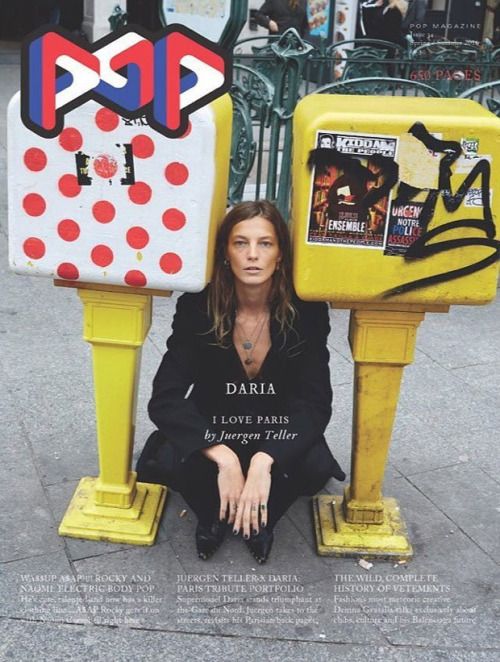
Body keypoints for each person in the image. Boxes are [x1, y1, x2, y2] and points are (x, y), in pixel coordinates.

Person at [136, 200, 345, 563]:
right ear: (225, 253)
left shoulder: (308, 311)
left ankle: (255, 513)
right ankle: (218, 512)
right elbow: (165, 398)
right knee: (173, 457)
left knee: (312, 464)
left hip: (275, 428)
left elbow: (315, 403)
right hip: (215, 427)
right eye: (240, 243)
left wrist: (265, 460)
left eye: (265, 243)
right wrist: (225, 458)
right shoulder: (198, 307)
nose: (253, 255)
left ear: (280, 254)